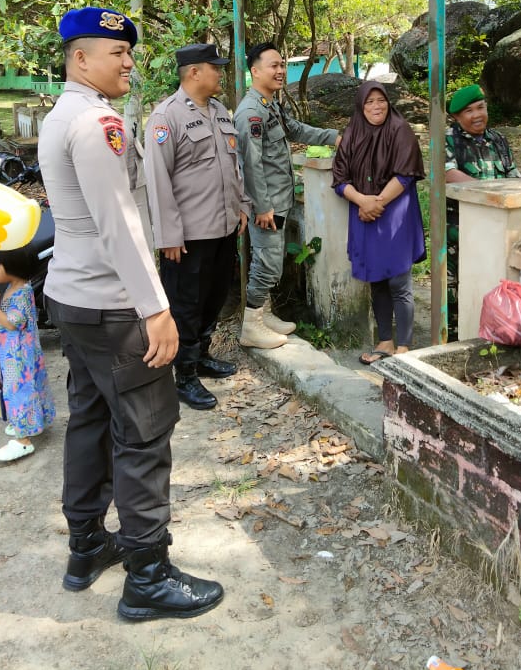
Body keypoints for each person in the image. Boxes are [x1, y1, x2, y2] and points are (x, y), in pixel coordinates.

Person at [38, 6, 223, 622]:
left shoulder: (60, 114)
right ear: (80, 59)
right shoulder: (96, 123)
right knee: (144, 433)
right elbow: (118, 223)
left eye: (127, 52)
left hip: (74, 297)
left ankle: (86, 545)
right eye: (115, 52)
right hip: (113, 304)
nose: (128, 62)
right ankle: (148, 575)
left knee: (91, 419)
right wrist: (157, 308)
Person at [144, 43, 249, 411]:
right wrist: (168, 236)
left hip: (223, 229)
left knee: (213, 299)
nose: (220, 74)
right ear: (193, 72)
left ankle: (201, 356)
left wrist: (243, 207)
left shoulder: (221, 112)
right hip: (187, 237)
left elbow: (234, 167)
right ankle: (184, 375)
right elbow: (158, 181)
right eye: (214, 68)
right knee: (185, 305)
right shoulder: (165, 117)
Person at [234, 42, 340, 348]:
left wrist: (335, 137)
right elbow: (249, 164)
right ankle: (251, 327)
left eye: (282, 65)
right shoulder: (251, 112)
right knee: (266, 264)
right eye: (274, 66)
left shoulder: (270, 105)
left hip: (279, 201)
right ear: (255, 71)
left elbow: (295, 130)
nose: (281, 71)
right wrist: (262, 206)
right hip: (266, 206)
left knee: (272, 261)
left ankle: (261, 315)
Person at [332, 82, 426, 365]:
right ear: (361, 107)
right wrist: (362, 200)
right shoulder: (352, 134)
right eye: (369, 102)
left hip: (395, 212)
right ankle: (385, 341)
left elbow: (406, 174)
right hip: (365, 215)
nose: (376, 106)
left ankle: (405, 346)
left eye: (381, 100)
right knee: (377, 280)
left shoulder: (400, 130)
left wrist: (376, 202)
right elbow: (339, 180)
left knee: (399, 279)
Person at [445, 84, 517, 339]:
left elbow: (513, 176)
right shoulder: (448, 140)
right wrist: (489, 194)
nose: (477, 115)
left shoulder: (498, 139)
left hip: (496, 229)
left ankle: (491, 336)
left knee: (494, 283)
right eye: (468, 111)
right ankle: (454, 340)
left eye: (481, 107)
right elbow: (448, 173)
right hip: (460, 232)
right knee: (457, 289)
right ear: (456, 117)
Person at [0, 247, 56, 462]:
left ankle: (23, 440)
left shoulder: (23, 291)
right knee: (18, 388)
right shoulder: (11, 287)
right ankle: (28, 422)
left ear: (13, 267)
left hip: (20, 355)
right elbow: (4, 318)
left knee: (18, 391)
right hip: (11, 351)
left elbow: (13, 323)